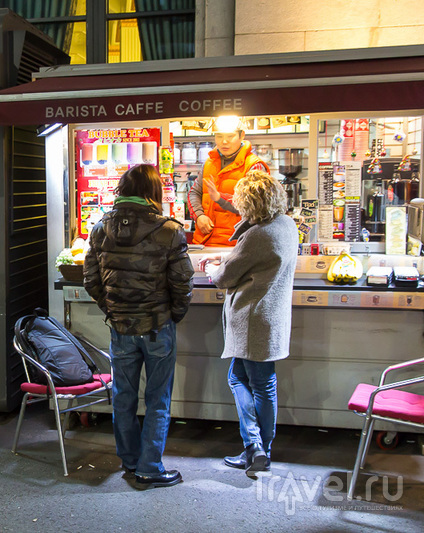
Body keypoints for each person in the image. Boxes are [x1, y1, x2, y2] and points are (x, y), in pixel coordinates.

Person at [83, 164, 194, 489]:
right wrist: (174, 314)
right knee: (158, 398)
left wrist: (114, 309)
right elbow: (183, 282)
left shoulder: (101, 228)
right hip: (158, 327)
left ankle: (130, 461)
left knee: (123, 396)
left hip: (121, 328)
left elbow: (91, 279)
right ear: (152, 192)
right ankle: (149, 467)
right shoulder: (169, 230)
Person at [198, 170, 298, 474]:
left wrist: (213, 269)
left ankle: (255, 445)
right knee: (260, 382)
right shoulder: (286, 225)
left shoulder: (257, 234)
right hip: (273, 316)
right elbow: (254, 260)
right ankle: (260, 449)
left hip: (253, 318)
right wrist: (227, 259)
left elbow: (225, 278)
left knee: (248, 380)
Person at [189, 115, 269, 246]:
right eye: (219, 136)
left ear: (241, 135)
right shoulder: (209, 163)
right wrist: (199, 216)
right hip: (204, 243)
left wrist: (220, 198)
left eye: (230, 136)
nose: (224, 141)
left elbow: (255, 207)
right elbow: (194, 192)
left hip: (237, 245)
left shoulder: (254, 166)